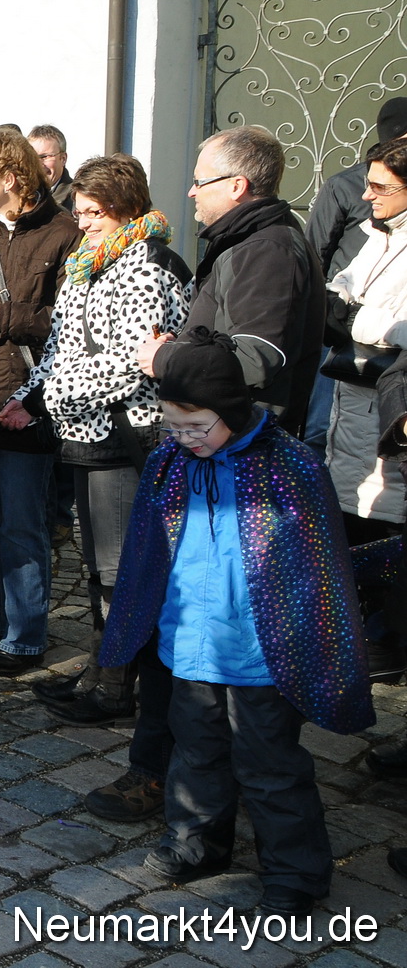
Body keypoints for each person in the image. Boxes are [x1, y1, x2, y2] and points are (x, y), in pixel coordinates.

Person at [99, 327, 372, 917]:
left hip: (260, 651)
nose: (185, 438)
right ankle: (197, 843)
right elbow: (149, 551)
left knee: (269, 764)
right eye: (174, 427)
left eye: (198, 426)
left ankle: (295, 873)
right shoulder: (170, 463)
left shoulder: (290, 465)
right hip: (189, 644)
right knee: (195, 750)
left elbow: (315, 568)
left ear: (231, 409)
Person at [1, 155, 189, 726]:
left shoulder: (148, 263)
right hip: (85, 430)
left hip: (127, 434)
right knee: (98, 564)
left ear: (126, 208)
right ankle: (100, 669)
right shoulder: (89, 261)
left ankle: (117, 686)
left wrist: (48, 399)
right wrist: (28, 396)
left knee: (120, 567)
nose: (82, 224)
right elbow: (62, 348)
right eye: (79, 212)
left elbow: (130, 364)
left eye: (94, 213)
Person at [0, 125, 82, 675]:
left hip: (30, 398)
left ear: (10, 177)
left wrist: (7, 316)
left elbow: (74, 322)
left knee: (24, 526)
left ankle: (25, 638)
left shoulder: (65, 232)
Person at [137, 125, 324, 437]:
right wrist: (183, 346)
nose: (191, 192)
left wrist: (167, 358)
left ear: (237, 186)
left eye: (199, 181)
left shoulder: (267, 249)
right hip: (223, 439)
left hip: (244, 444)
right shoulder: (248, 241)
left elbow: (255, 358)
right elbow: (222, 337)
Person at [304, 99, 407, 454]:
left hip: (389, 389)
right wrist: (331, 301)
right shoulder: (375, 225)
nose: (367, 196)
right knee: (321, 432)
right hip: (346, 372)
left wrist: (353, 318)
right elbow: (319, 257)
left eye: (380, 188)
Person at [28, 124, 73, 206]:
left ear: (63, 159)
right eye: (33, 157)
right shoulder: (20, 196)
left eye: (45, 157)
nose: (38, 165)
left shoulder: (76, 199)